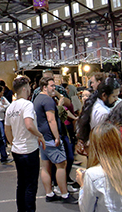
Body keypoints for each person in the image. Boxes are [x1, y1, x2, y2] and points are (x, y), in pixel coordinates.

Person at [5, 76, 46, 212]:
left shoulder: (10, 107)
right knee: (30, 185)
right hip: (29, 150)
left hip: (17, 150)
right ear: (24, 88)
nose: (30, 89)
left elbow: (7, 129)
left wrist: (13, 143)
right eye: (28, 87)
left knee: (21, 184)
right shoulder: (27, 104)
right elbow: (29, 125)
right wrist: (40, 135)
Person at [34, 76, 76, 204]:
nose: (54, 88)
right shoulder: (48, 101)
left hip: (42, 137)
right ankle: (64, 194)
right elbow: (51, 119)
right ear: (44, 87)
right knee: (61, 165)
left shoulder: (37, 99)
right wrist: (57, 136)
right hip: (51, 138)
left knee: (46, 166)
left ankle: (49, 193)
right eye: (52, 86)